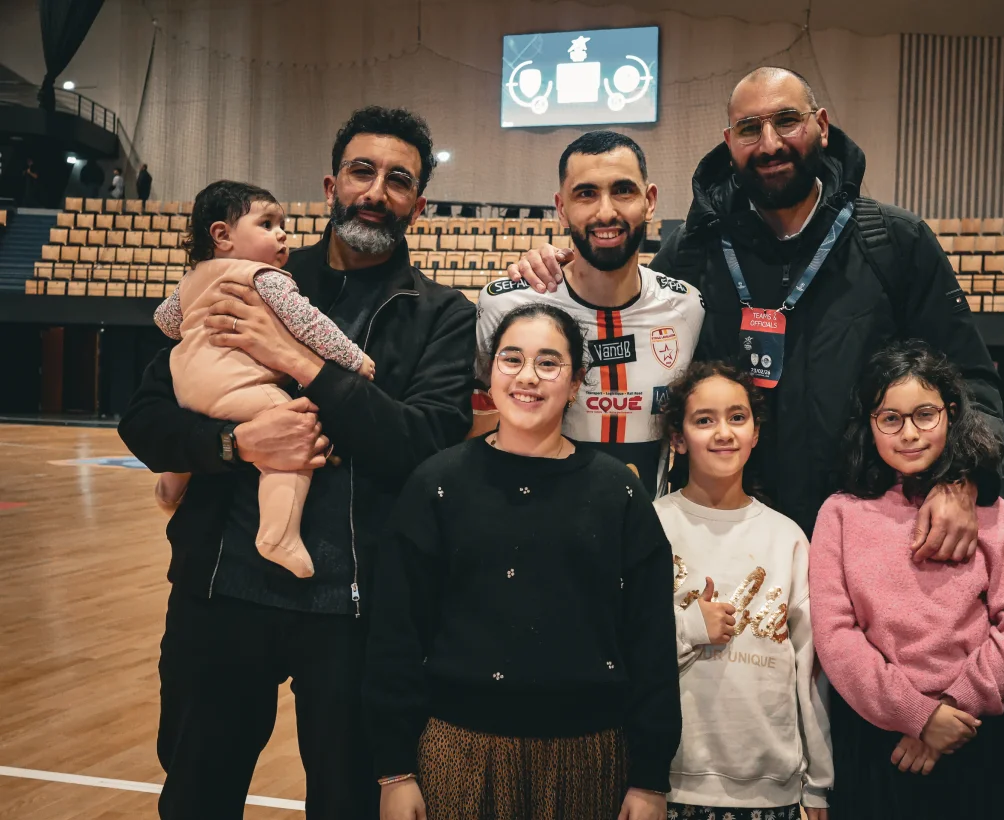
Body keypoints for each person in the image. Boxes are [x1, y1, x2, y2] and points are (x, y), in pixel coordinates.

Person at [117, 105, 476, 820]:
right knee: (194, 795)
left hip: (356, 608)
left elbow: (425, 448)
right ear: (330, 185)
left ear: (419, 204)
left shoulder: (440, 313)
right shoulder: (243, 274)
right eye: (361, 172)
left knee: (345, 803)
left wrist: (297, 363)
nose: (376, 190)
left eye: (398, 180)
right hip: (220, 592)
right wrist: (232, 446)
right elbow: (147, 419)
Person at [507, 67, 1004, 563]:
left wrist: (961, 478)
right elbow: (616, 314)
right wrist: (548, 272)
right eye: (749, 129)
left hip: (873, 533)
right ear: (729, 142)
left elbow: (971, 381)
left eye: (787, 121)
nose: (769, 144)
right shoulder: (693, 251)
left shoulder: (895, 242)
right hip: (729, 541)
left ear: (822, 126)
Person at [364, 303, 680, 820]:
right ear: (490, 373)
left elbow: (650, 645)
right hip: (458, 750)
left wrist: (650, 778)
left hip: (590, 756)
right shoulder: (436, 484)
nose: (527, 377)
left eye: (549, 363)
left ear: (577, 381)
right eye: (511, 359)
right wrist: (395, 770)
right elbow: (395, 637)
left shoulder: (618, 492)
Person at [810, 341, 1004, 820]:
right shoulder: (839, 513)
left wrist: (949, 713)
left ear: (952, 412)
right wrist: (917, 717)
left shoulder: (989, 510)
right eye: (890, 419)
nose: (909, 434)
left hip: (976, 735)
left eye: (925, 414)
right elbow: (836, 638)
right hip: (876, 740)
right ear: (870, 424)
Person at [149, 180, 378, 578]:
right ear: (221, 235)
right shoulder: (267, 277)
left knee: (198, 424)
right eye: (268, 224)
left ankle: (169, 489)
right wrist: (354, 358)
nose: (282, 233)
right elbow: (311, 325)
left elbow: (166, 323)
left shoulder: (192, 279)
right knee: (295, 433)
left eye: (282, 224)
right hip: (236, 386)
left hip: (184, 386)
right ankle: (278, 534)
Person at [475, 131, 704, 496]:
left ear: (650, 201)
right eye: (586, 194)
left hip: (643, 534)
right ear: (561, 207)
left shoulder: (687, 307)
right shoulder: (505, 306)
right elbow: (479, 422)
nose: (606, 212)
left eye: (623, 190)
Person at [655, 361, 832, 820]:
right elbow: (619, 646)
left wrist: (817, 786)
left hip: (771, 790)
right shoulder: (650, 525)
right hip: (668, 782)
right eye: (703, 420)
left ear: (755, 433)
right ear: (678, 437)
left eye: (737, 417)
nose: (723, 432)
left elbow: (809, 671)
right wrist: (691, 626)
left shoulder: (787, 536)